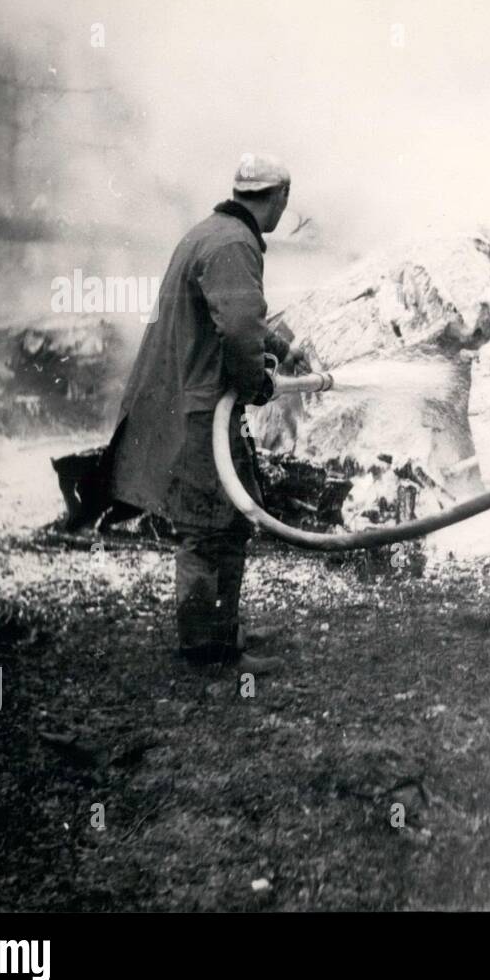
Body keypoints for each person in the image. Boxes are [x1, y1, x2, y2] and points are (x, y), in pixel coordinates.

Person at [108, 153, 311, 674]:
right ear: (277, 199)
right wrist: (258, 384)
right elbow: (239, 328)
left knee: (228, 519)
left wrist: (282, 349)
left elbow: (230, 314)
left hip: (194, 405)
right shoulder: (236, 245)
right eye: (284, 204)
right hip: (202, 413)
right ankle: (208, 650)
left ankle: (221, 630)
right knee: (210, 526)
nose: (283, 214)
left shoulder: (210, 233)